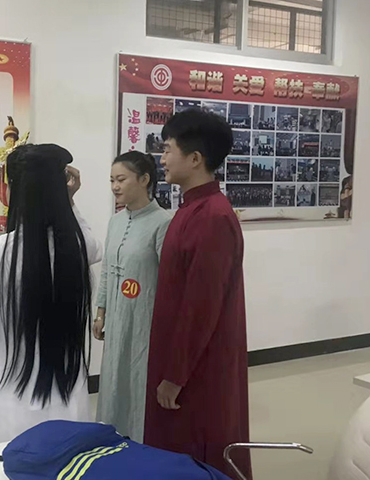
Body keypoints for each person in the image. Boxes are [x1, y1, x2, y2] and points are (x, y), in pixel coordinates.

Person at [0, 143, 102, 449]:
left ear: (14, 192)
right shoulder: (76, 249)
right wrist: (69, 200)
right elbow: (91, 242)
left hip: (8, 400)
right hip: (67, 400)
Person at [143, 110, 250, 479]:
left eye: (167, 149)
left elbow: (201, 307)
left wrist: (175, 376)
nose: (162, 158)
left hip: (197, 368)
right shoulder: (190, 208)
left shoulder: (213, 217)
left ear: (194, 158)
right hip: (178, 356)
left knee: (196, 451)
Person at [94, 151, 172, 443]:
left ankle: (138, 443)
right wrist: (100, 311)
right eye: (112, 180)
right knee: (113, 378)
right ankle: (110, 440)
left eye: (121, 179)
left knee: (138, 379)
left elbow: (169, 281)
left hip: (144, 320)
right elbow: (106, 270)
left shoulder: (162, 223)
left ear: (144, 179)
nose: (115, 186)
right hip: (116, 318)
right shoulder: (115, 221)